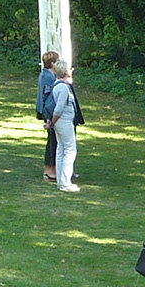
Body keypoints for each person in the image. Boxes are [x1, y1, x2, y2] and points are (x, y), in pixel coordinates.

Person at [47, 60, 80, 192]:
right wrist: (53, 122)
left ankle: (62, 181)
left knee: (61, 150)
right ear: (65, 72)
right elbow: (59, 108)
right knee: (70, 150)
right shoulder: (62, 88)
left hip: (60, 122)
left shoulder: (58, 85)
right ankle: (66, 182)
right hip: (64, 121)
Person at [37, 50, 58, 181]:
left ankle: (55, 168)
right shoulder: (48, 77)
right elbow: (47, 96)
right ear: (51, 63)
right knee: (52, 141)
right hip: (48, 112)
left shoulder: (47, 75)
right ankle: (49, 170)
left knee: (54, 141)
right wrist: (48, 116)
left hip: (48, 111)